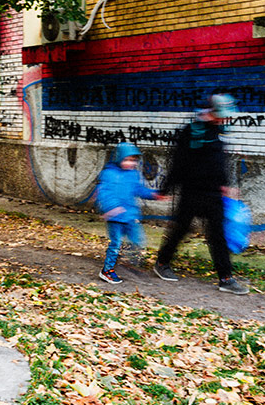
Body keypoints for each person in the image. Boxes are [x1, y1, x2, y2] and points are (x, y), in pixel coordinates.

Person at [153, 93, 249, 295]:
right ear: (211, 112)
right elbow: (178, 162)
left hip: (214, 193)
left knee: (218, 235)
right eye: (221, 115)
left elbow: (218, 161)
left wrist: (225, 185)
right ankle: (162, 262)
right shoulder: (191, 131)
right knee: (181, 229)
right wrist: (166, 188)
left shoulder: (219, 130)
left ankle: (226, 278)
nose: (225, 119)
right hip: (192, 191)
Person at [95, 142, 167, 284]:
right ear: (119, 158)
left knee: (137, 241)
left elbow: (139, 190)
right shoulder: (109, 174)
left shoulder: (133, 174)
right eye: (126, 159)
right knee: (115, 244)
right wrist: (111, 207)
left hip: (130, 215)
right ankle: (107, 270)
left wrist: (154, 195)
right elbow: (103, 193)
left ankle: (131, 264)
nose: (130, 163)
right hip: (115, 216)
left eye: (133, 160)